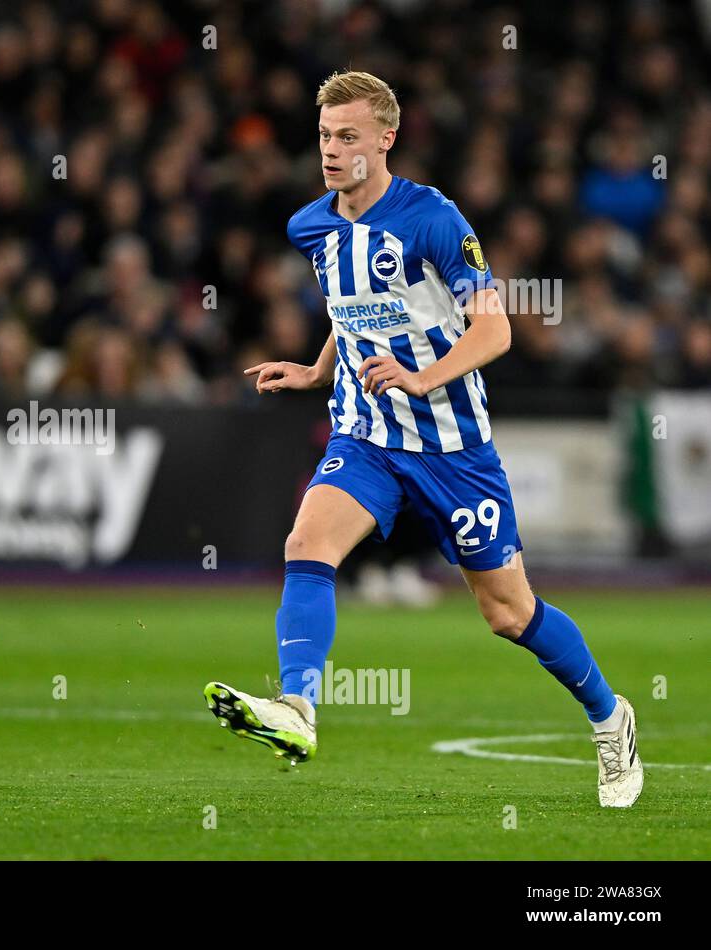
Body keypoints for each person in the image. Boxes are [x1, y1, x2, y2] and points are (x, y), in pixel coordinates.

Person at [203, 72, 641, 808]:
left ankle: (609, 715)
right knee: (307, 547)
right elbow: (351, 316)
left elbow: (496, 330)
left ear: (385, 139)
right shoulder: (311, 227)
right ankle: (298, 709)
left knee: (508, 613)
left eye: (347, 137)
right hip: (367, 436)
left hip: (453, 451)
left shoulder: (433, 219)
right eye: (323, 137)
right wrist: (317, 372)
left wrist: (420, 375)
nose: (332, 151)